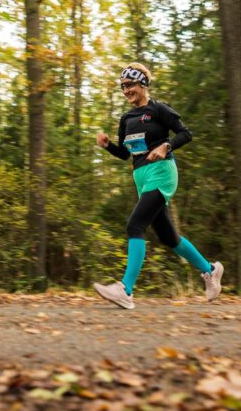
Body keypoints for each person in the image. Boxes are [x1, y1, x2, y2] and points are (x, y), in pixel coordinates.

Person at [93, 62, 223, 309]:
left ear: (143, 83)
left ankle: (125, 290)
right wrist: (108, 145)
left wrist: (166, 146)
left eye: (130, 85)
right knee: (168, 237)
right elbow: (125, 154)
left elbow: (185, 133)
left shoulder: (158, 109)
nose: (126, 90)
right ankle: (210, 270)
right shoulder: (126, 118)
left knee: (135, 225)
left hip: (162, 172)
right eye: (122, 87)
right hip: (141, 176)